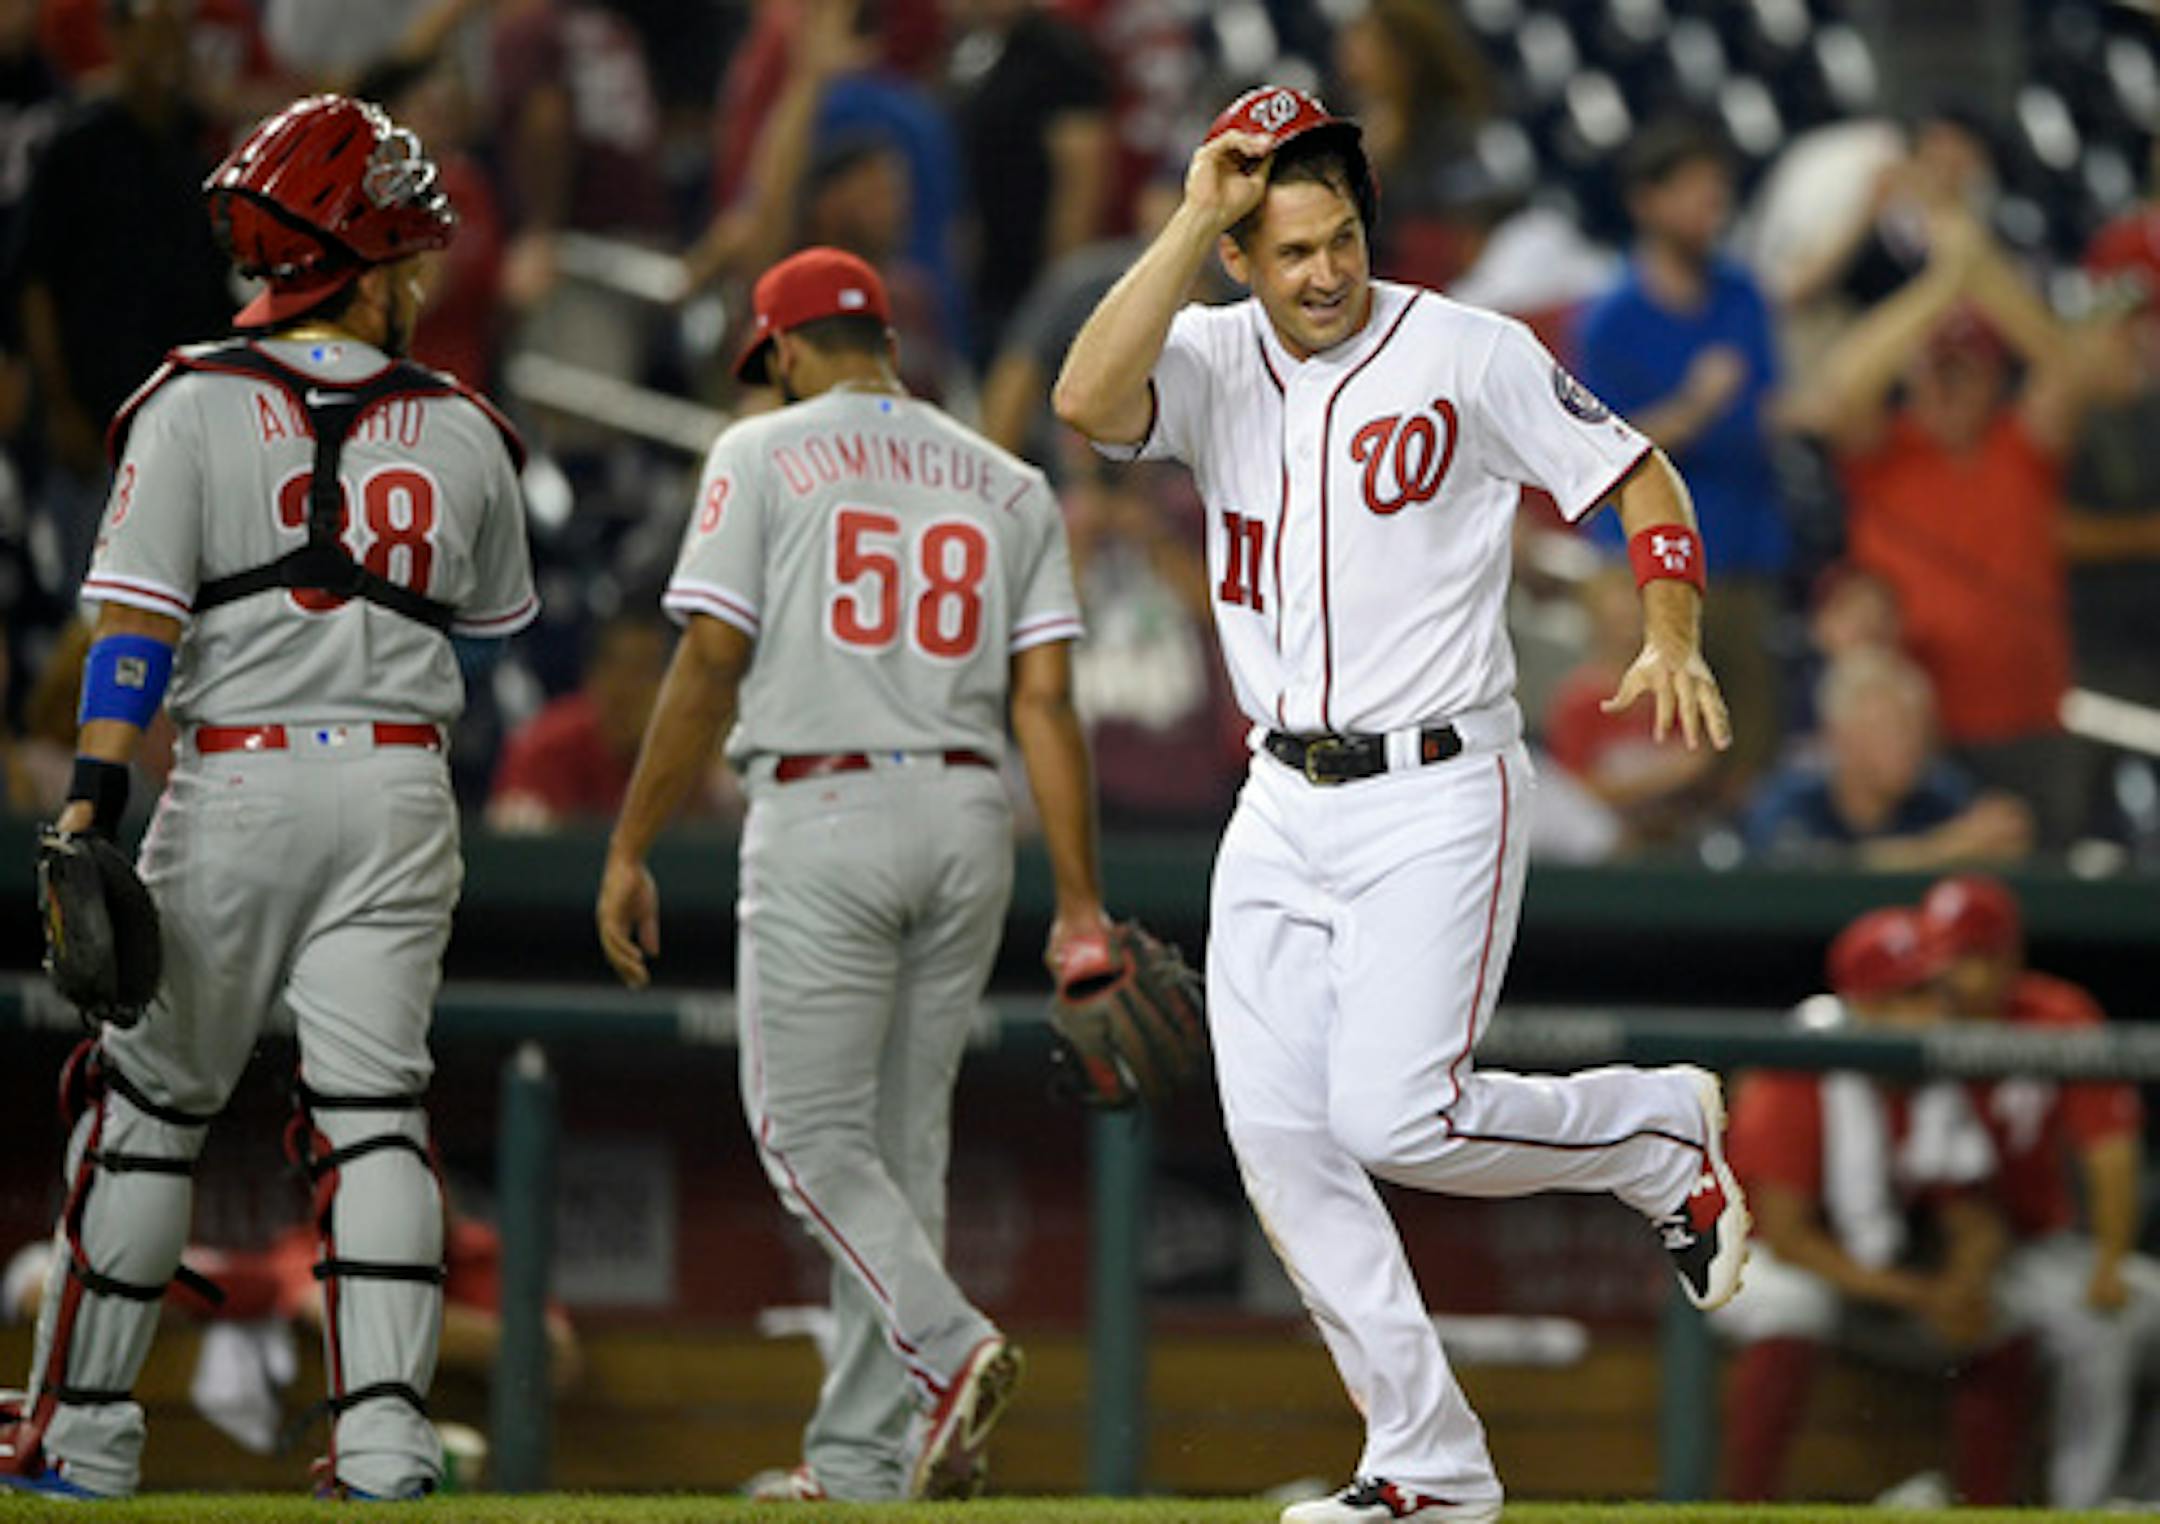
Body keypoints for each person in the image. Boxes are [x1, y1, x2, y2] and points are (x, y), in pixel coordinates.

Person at [1053, 86, 1749, 1523]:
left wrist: (1669, 629)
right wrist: (1194, 214)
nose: (1323, 270)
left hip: (1438, 786)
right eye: (1290, 245)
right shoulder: (1209, 350)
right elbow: (1078, 399)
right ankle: (1425, 1466)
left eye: (1342, 236)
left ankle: (1656, 1134)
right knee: (1281, 1142)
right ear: (1243, 254)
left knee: (1394, 1117)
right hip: (1278, 796)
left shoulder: (1463, 349)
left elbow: (1639, 471)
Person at [0, 94, 538, 1502]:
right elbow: (484, 616)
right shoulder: (466, 429)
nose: (419, 280)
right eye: (404, 256)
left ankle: (84, 1435)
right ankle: (383, 1445)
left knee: (146, 1108)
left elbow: (131, 636)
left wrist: (90, 806)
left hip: (235, 780)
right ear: (356, 258)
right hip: (401, 788)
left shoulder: (184, 402)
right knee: (374, 1118)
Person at [595, 247, 1106, 1502]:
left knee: (806, 1137)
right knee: (899, 1146)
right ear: (882, 339)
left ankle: (947, 1348)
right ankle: (865, 1459)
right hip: (971, 811)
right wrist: (1082, 901)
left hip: (828, 804)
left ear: (777, 352)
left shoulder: (757, 451)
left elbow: (712, 661)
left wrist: (628, 844)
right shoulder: (1009, 478)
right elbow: (1046, 701)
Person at [1796, 202, 2096, 846]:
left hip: (2031, 717)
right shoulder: (1888, 453)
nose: (1951, 387)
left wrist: (1979, 273)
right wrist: (1940, 288)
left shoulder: (2020, 445)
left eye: (1969, 371)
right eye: (1938, 369)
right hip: (1917, 732)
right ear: (1914, 375)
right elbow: (1843, 385)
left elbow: (2070, 369)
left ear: (1995, 379)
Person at [1713, 907, 2030, 1503]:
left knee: (2000, 1316)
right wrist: (1919, 1294)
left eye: (1935, 991)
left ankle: (1986, 1510)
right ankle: (1743, 1507)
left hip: (1870, 1267)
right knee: (1795, 1307)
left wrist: (1965, 1280)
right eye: (1910, 996)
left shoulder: (1931, 1075)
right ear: (1864, 1006)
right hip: (1745, 1258)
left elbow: (1972, 1215)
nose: (1935, 1012)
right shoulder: (1799, 1070)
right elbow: (1788, 1236)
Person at [1922, 873, 2160, 1507]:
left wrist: (2111, 1261)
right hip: (1930, 1247)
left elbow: (2112, 1154)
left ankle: (2136, 1501)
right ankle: (2081, 1508)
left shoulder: (2056, 1016)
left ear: (2008, 958)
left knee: (2133, 1313)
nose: (1954, 974)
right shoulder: (1910, 1011)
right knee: (2099, 1337)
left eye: (1973, 956)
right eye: (1946, 954)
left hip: (2040, 1244)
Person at [1573, 118, 1790, 794]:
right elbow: (1595, 450)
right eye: (1693, 192)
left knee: (1746, 755)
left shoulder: (1742, 295)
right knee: (1653, 751)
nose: (1709, 209)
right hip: (1648, 567)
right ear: (1647, 201)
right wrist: (1695, 408)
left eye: (1717, 194)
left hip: (1744, 555)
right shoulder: (1609, 317)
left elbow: (1767, 407)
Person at [1740, 644, 2032, 869]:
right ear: (1841, 738)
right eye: (1890, 730)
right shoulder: (1790, 799)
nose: (1910, 746)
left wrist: (2000, 836)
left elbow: (1992, 839)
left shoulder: (1939, 795)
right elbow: (1826, 872)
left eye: (1919, 729)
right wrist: (1948, 848)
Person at [486, 614, 675, 831]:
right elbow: (508, 823)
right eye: (621, 669)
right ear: (593, 675)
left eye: (646, 672)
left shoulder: (684, 751)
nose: (630, 688)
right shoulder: (547, 746)